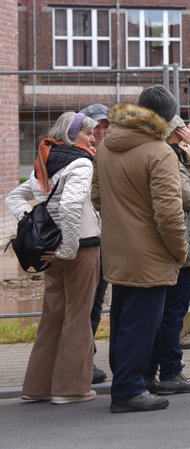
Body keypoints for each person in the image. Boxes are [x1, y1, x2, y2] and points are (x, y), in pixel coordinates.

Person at [91, 85, 186, 412]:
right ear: (165, 118)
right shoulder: (159, 152)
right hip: (150, 253)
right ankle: (128, 390)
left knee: (121, 318)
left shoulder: (106, 145)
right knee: (142, 324)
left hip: (116, 248)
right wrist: (179, 251)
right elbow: (169, 213)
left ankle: (124, 382)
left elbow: (97, 197)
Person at [8, 111, 100, 404]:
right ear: (73, 135)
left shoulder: (44, 162)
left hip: (49, 250)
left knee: (52, 317)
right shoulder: (81, 162)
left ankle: (37, 387)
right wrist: (68, 248)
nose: (94, 138)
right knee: (78, 317)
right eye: (88, 133)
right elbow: (72, 206)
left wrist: (35, 221)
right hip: (80, 248)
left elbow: (13, 198)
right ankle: (70, 389)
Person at [144, 114, 190, 395]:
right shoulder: (170, 157)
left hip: (178, 241)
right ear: (175, 131)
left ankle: (153, 372)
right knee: (172, 311)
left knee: (165, 311)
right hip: (181, 242)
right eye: (185, 127)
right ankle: (170, 372)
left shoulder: (180, 154)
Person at [81, 103, 110, 385]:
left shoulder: (112, 155)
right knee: (85, 302)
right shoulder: (80, 158)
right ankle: (82, 362)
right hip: (85, 240)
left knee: (96, 300)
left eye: (105, 127)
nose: (101, 132)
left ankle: (85, 356)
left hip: (106, 238)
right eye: (96, 128)